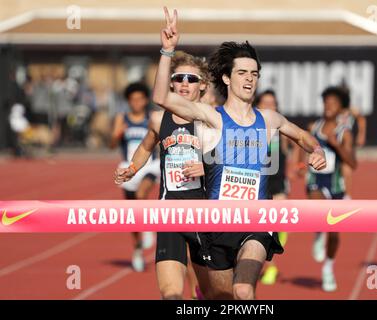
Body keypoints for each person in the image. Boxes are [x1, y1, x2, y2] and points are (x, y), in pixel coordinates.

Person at [151, 7, 326, 300]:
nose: (250, 79)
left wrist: (316, 150)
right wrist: (167, 51)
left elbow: (302, 136)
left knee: (243, 290)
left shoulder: (269, 119)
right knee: (222, 298)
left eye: (254, 74)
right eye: (242, 73)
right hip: (215, 227)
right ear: (227, 78)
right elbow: (161, 97)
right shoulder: (211, 117)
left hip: (256, 222)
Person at [113, 48, 209, 299]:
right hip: (170, 213)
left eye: (192, 79)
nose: (184, 84)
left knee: (213, 294)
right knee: (170, 294)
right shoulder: (158, 119)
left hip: (207, 215)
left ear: (203, 85)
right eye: (178, 78)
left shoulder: (213, 120)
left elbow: (233, 159)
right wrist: (132, 168)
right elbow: (146, 146)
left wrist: (208, 166)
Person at [307, 86, 357, 292]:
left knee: (335, 233)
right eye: (326, 102)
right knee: (318, 205)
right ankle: (319, 232)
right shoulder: (314, 127)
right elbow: (304, 150)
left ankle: (328, 268)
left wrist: (336, 145)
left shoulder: (344, 132)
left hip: (336, 184)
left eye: (333, 103)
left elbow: (352, 162)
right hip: (316, 179)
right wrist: (302, 166)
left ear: (340, 107)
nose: (329, 106)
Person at [110, 82, 158, 272]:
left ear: (145, 100)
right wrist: (116, 133)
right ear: (129, 101)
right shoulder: (122, 118)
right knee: (132, 215)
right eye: (133, 99)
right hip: (127, 167)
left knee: (141, 195)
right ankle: (137, 249)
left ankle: (148, 229)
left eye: (140, 99)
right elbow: (112, 145)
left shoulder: (151, 118)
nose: (137, 102)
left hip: (150, 166)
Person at [255, 90, 289, 285]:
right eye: (265, 103)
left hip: (277, 180)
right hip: (258, 180)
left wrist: (292, 171)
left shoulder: (280, 125)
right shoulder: (252, 125)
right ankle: (266, 264)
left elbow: (286, 150)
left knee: (277, 221)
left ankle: (271, 263)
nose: (269, 107)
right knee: (261, 224)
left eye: (273, 103)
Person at [336, 86, 366, 199]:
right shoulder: (335, 109)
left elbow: (362, 120)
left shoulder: (352, 110)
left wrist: (361, 135)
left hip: (347, 144)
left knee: (347, 167)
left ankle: (347, 195)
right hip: (335, 142)